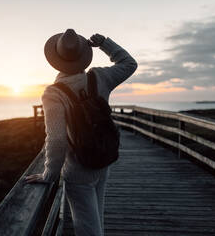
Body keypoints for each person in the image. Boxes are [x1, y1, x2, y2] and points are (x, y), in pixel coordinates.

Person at [25, 29, 137, 236]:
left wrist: (49, 174)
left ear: (56, 59)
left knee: (87, 227)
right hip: (103, 158)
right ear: (83, 55)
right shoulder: (100, 76)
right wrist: (105, 43)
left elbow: (57, 139)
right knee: (97, 216)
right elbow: (130, 64)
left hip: (78, 167)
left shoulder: (53, 93)